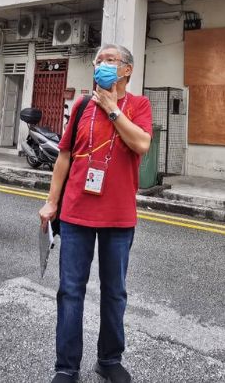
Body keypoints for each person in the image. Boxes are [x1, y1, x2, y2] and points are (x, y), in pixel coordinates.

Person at [39, 44, 153, 383]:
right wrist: (52, 202)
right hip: (76, 212)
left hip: (118, 216)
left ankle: (109, 359)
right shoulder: (81, 105)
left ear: (127, 70)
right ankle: (66, 367)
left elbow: (141, 144)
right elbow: (64, 157)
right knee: (70, 290)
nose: (102, 65)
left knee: (114, 291)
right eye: (99, 60)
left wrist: (113, 109)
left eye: (111, 60)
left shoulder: (139, 105)